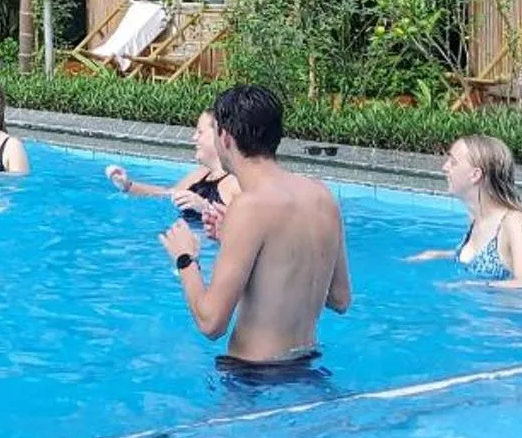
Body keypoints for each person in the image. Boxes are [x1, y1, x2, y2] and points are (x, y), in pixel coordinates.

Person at [159, 84, 350, 373]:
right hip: (308, 370)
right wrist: (237, 242)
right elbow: (340, 299)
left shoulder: (249, 206)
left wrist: (186, 260)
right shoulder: (322, 195)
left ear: (224, 137)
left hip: (253, 379)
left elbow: (211, 324)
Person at [408, 134, 522, 288]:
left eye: (453, 162)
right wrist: (439, 255)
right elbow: (476, 258)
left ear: (475, 175)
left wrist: (470, 285)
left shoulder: (515, 222)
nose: (445, 167)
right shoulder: (476, 217)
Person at [107, 107, 239, 231]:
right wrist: (127, 185)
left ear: (220, 135)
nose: (194, 138)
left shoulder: (235, 181)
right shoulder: (203, 172)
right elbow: (168, 193)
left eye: (200, 132)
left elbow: (247, 228)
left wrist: (205, 207)